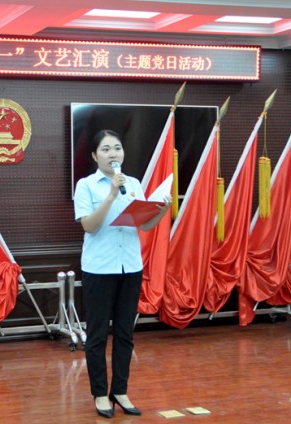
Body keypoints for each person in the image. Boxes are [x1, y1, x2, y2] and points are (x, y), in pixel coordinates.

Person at [73, 130, 171, 418]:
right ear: (95, 156)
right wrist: (112, 195)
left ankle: (120, 391)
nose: (113, 153)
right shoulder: (86, 186)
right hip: (99, 269)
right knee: (97, 335)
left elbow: (144, 225)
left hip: (130, 267)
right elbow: (89, 226)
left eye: (117, 148)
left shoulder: (134, 184)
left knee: (125, 333)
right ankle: (99, 394)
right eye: (106, 149)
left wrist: (161, 209)